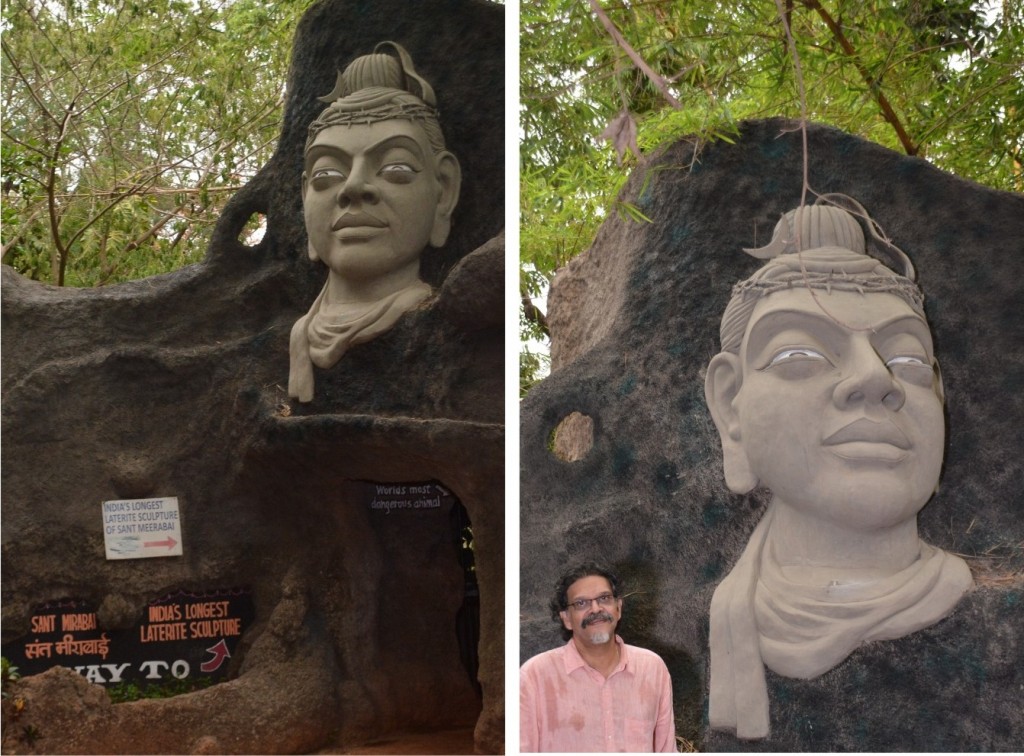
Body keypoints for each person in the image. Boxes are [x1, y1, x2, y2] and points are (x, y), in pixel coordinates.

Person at [703, 198, 973, 739]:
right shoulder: (731, 614)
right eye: (798, 355)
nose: (876, 380)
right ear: (731, 406)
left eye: (909, 361)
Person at [288, 42, 461, 402]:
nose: (353, 188)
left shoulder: (452, 339)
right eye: (326, 174)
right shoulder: (275, 344)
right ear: (305, 196)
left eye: (395, 168)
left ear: (443, 191)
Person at [520, 562, 676, 752]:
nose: (595, 609)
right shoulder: (535, 676)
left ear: (618, 608)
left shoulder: (652, 668)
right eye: (581, 603)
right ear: (567, 618)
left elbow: (666, 750)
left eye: (604, 598)